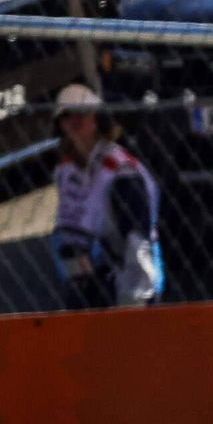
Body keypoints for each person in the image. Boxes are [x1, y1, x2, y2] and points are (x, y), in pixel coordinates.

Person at [48, 84, 164, 311]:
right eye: (67, 115)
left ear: (96, 117)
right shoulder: (65, 171)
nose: (75, 120)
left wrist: (134, 300)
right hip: (90, 280)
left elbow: (137, 241)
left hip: (133, 279)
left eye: (82, 112)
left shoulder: (121, 171)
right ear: (59, 124)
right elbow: (67, 235)